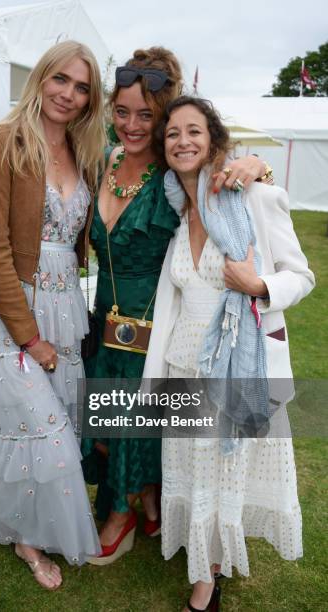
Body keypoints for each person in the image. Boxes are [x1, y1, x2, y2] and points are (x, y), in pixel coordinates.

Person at [81, 47, 270, 565]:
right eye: (122, 112)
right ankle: (148, 499)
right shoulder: (102, 161)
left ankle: (121, 514)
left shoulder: (176, 174)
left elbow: (222, 170)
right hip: (103, 319)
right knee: (103, 426)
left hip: (155, 324)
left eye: (147, 115)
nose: (132, 125)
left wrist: (258, 164)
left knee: (137, 425)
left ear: (164, 118)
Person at [143, 96, 315, 611]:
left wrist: (259, 283)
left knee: (223, 467)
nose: (183, 141)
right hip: (181, 364)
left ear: (213, 140)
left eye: (194, 131)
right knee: (196, 470)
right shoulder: (177, 213)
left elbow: (302, 275)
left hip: (235, 365)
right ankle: (205, 553)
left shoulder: (254, 200)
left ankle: (207, 580)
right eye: (172, 134)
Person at [0, 41, 106, 590]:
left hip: (64, 301)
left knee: (54, 422)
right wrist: (29, 335)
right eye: (60, 79)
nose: (68, 93)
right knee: (38, 431)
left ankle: (38, 525)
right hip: (6, 305)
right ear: (40, 78)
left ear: (92, 97)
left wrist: (248, 165)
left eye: (82, 86)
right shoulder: (0, 142)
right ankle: (24, 536)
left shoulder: (88, 149)